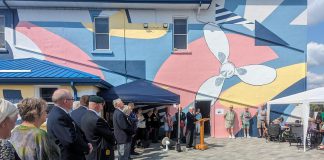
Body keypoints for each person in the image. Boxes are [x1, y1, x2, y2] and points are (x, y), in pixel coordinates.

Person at [47, 89, 92, 160]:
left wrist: (86, 143)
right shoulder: (59, 116)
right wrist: (86, 147)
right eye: (72, 99)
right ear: (65, 101)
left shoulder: (61, 113)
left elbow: (76, 131)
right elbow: (70, 140)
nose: (73, 101)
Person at [81, 96, 115, 160]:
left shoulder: (84, 116)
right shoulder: (97, 119)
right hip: (99, 153)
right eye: (102, 105)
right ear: (96, 105)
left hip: (90, 152)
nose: (102, 107)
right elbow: (109, 135)